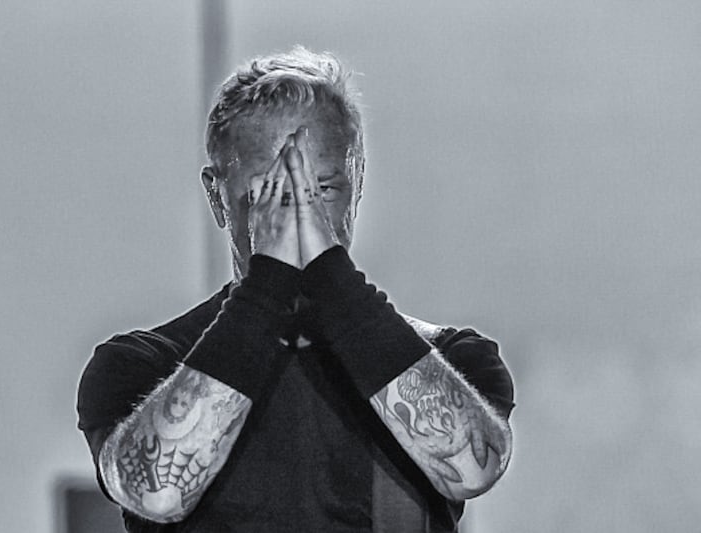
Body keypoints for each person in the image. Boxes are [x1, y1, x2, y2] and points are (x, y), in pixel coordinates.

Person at [77, 46, 515, 533]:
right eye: (267, 194)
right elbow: (158, 493)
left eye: (321, 190)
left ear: (357, 182)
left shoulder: (450, 358)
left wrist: (329, 273)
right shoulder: (144, 366)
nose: (298, 215)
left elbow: (472, 467)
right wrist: (268, 284)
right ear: (217, 197)